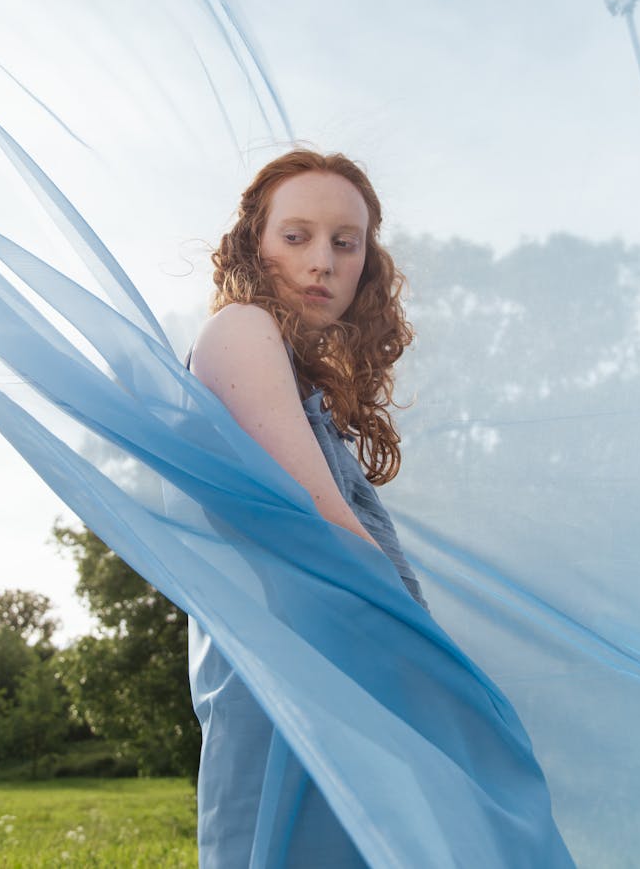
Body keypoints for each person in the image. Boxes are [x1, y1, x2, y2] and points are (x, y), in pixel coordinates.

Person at [185, 148, 431, 867]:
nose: (322, 261)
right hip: (300, 686)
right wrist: (440, 674)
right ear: (254, 246)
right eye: (296, 237)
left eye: (344, 242)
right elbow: (324, 525)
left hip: (338, 668)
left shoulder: (299, 381)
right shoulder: (240, 329)